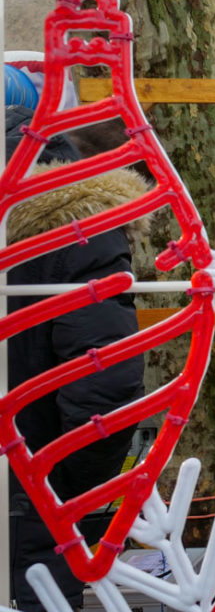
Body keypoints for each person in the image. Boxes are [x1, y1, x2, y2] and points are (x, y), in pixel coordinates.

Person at [5, 105, 146, 611]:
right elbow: (109, 383)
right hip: (33, 493)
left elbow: (106, 382)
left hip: (30, 493)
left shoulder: (69, 235)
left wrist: (61, 483)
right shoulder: (82, 231)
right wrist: (66, 485)